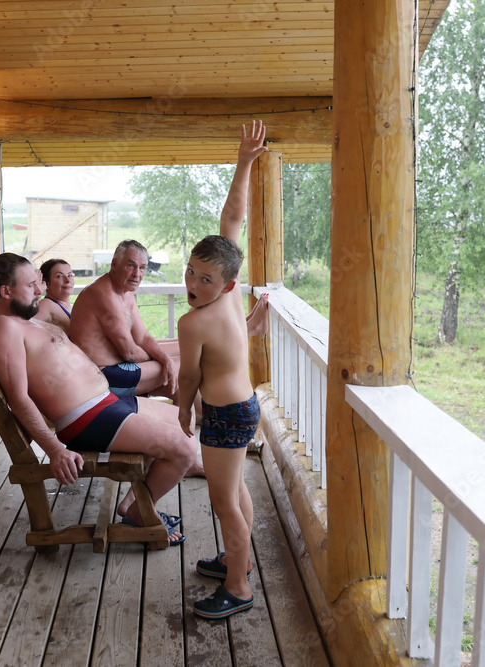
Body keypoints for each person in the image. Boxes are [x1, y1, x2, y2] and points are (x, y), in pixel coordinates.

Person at [0, 252, 198, 544]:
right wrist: (55, 450)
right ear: (6, 291)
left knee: (184, 424)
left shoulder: (23, 321)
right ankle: (138, 514)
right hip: (87, 420)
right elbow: (19, 400)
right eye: (32, 284)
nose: (40, 290)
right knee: (184, 448)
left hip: (106, 405)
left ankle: (135, 505)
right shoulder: (3, 331)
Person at [177, 121, 268, 619]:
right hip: (243, 406)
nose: (194, 281)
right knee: (235, 492)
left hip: (226, 413)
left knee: (223, 501)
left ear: (227, 283)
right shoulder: (230, 296)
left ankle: (238, 586)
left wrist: (181, 411)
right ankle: (240, 561)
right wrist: (244, 161)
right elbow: (232, 217)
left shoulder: (193, 322)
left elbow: (189, 378)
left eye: (206, 278)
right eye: (191, 271)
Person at [69, 239, 180, 402]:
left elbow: (142, 338)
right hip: (102, 376)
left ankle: (204, 422)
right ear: (114, 264)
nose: (137, 274)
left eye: (142, 268)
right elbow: (130, 352)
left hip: (118, 370)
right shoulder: (103, 293)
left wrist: (166, 360)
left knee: (180, 374)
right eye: (131, 266)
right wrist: (165, 361)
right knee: (184, 364)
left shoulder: (126, 293)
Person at [35, 258, 74, 333]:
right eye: (59, 276)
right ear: (46, 283)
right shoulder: (46, 304)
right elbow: (25, 328)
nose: (68, 280)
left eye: (69, 275)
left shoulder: (70, 307)